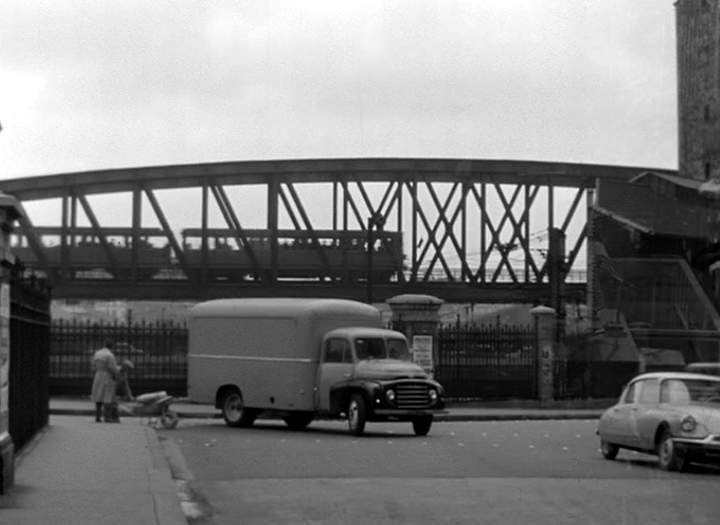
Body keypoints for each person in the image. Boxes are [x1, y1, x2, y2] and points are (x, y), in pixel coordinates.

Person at [91, 340, 119, 422]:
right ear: (112, 347)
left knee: (98, 396)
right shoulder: (109, 355)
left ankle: (97, 416)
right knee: (107, 397)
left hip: (98, 375)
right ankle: (107, 417)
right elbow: (112, 367)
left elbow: (93, 365)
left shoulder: (97, 353)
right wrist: (116, 373)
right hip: (107, 376)